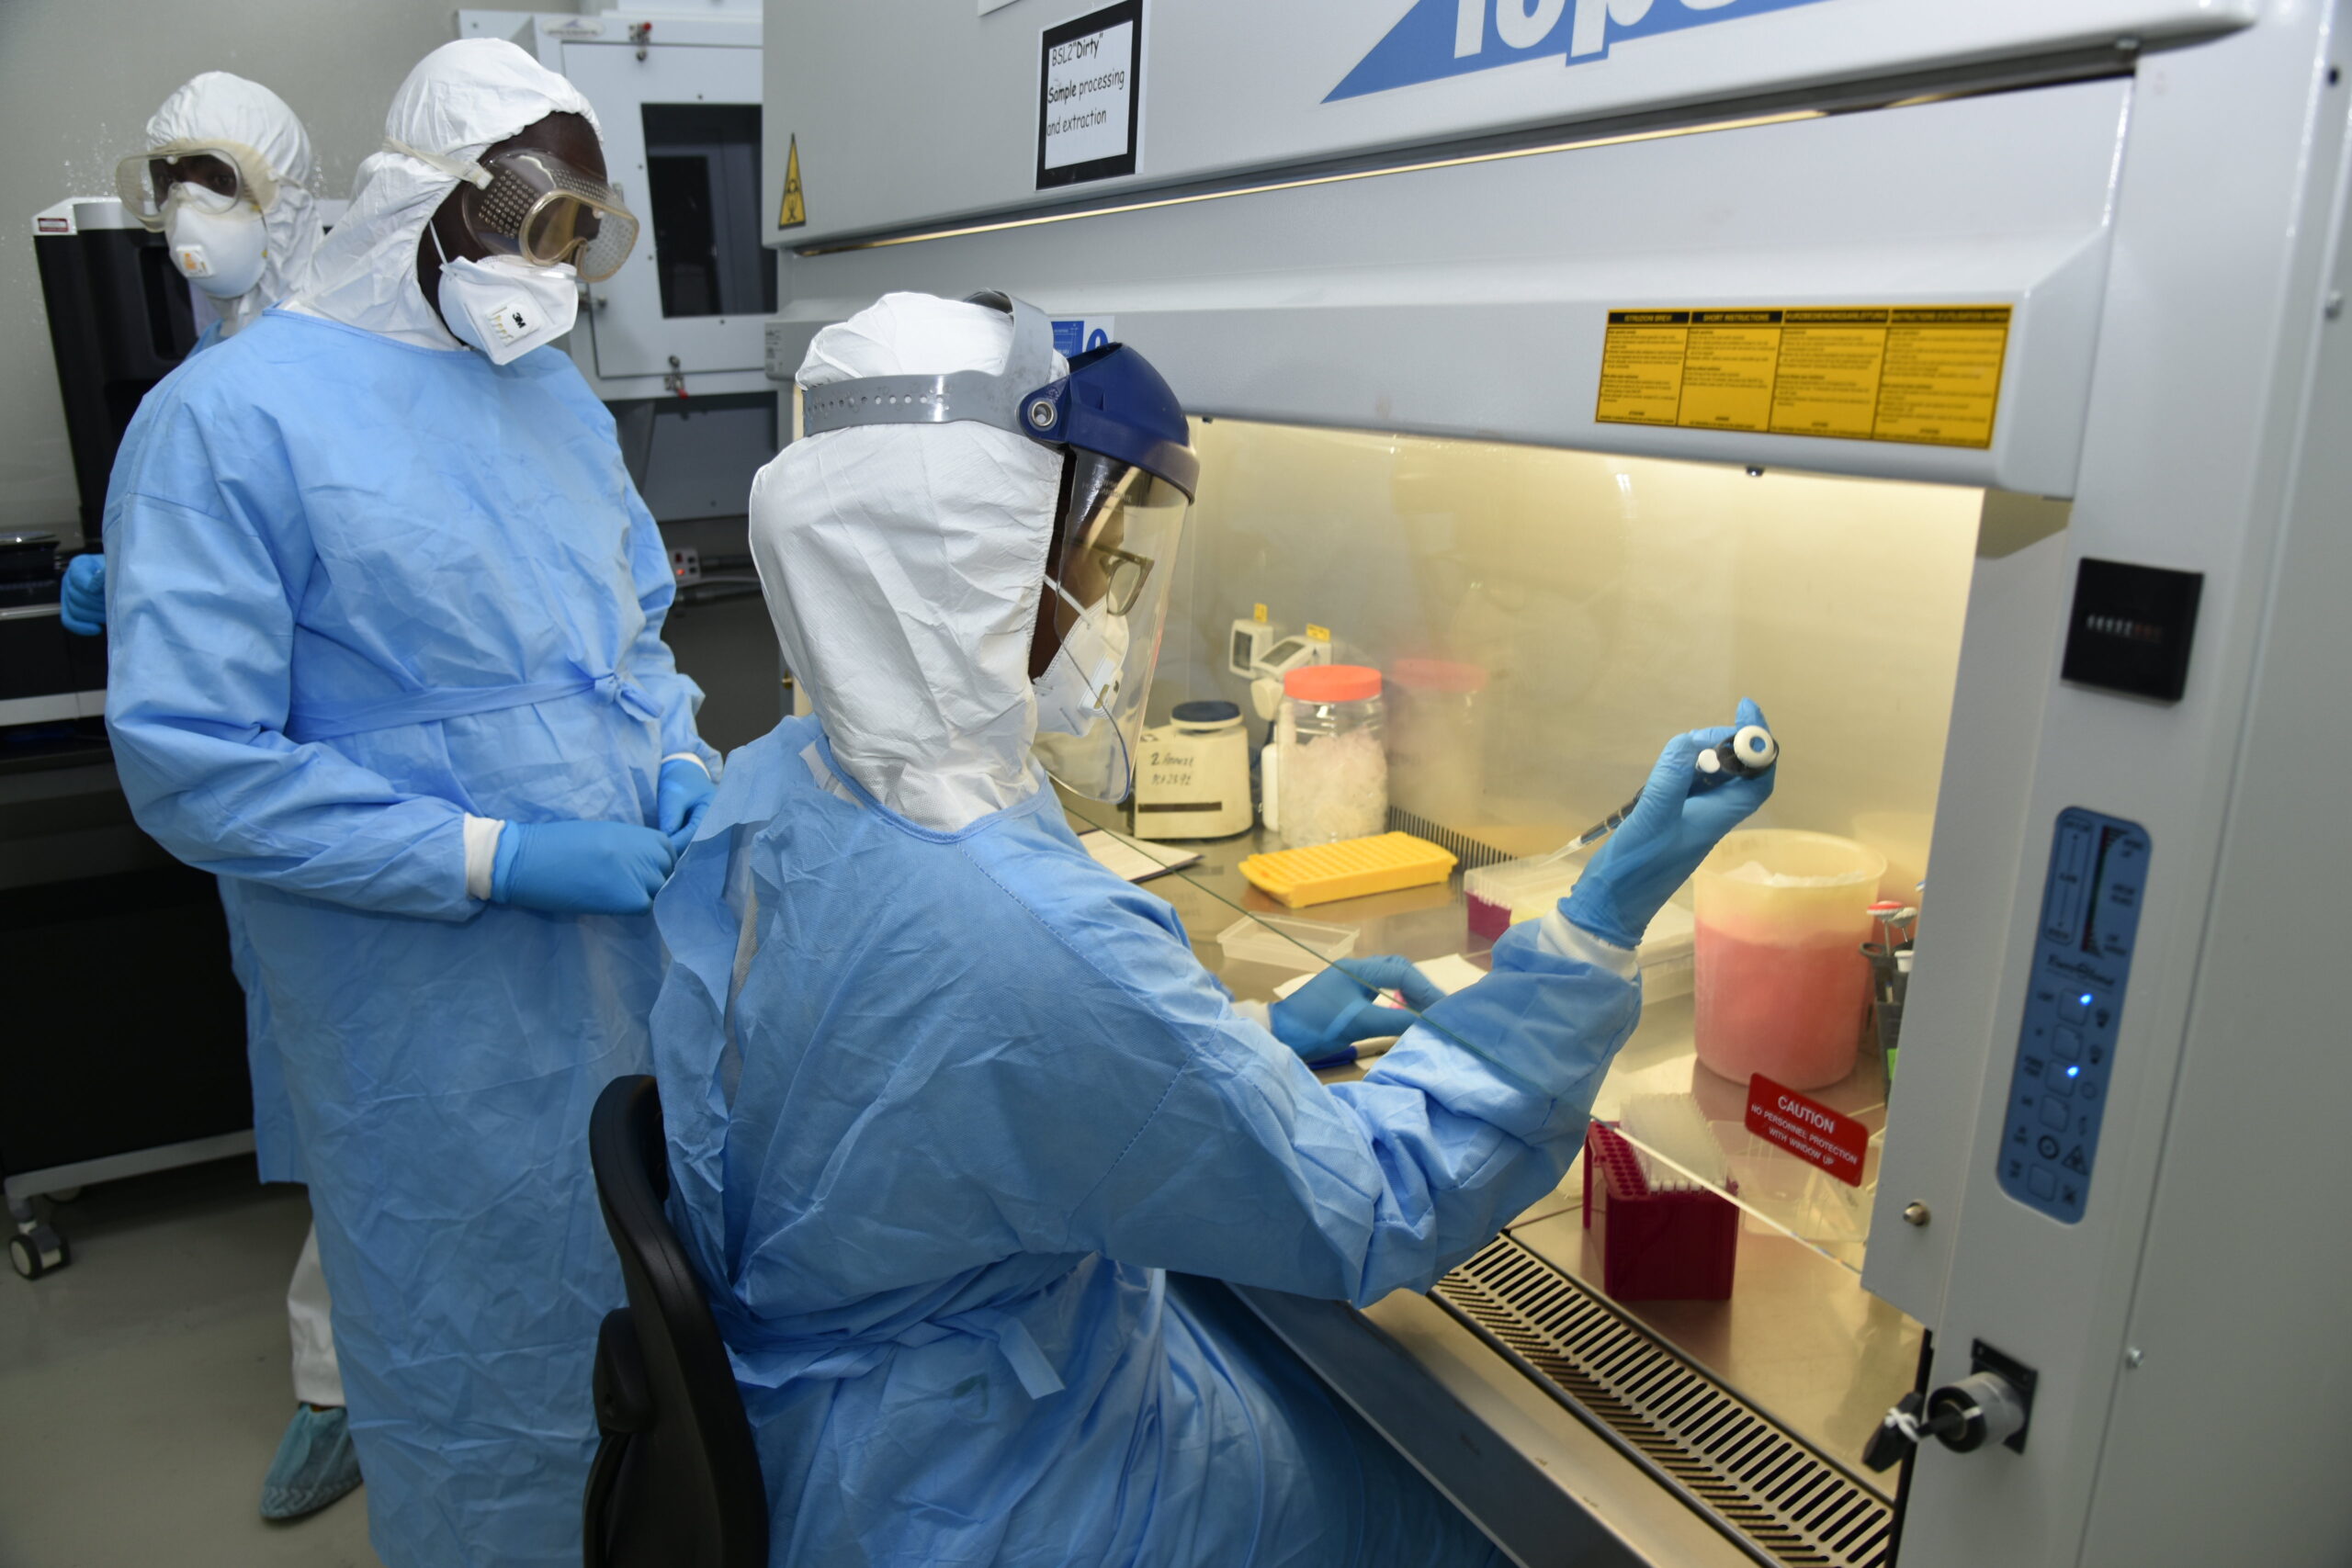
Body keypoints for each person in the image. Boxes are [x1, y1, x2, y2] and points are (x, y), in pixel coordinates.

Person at [649, 289, 1774, 1565]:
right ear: (976, 555)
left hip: (858, 1448)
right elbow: (1369, 1203)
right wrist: (1600, 921)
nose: (1101, 593)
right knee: (1467, 1524)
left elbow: (927, 1089)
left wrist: (1231, 1044)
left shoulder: (788, 785)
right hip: (1002, 1499)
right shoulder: (1023, 927)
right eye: (1087, 549)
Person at [100, 38, 715, 1568]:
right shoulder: (228, 420)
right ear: (427, 203)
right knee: (477, 1341)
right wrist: (494, 853)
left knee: (646, 1328)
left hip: (627, 968)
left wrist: (685, 759)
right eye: (533, 224)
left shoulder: (553, 401)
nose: (552, 270)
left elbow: (633, 637)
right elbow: (193, 761)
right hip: (419, 1006)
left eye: (580, 236)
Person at [62, 71, 356, 1523]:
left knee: (369, 1099)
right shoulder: (195, 382)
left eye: (218, 180)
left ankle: (339, 1381)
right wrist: (135, 584)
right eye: (167, 177)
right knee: (319, 1086)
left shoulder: (342, 370)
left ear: (289, 203)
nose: (185, 211)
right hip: (258, 804)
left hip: (353, 787)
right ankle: (349, 1369)